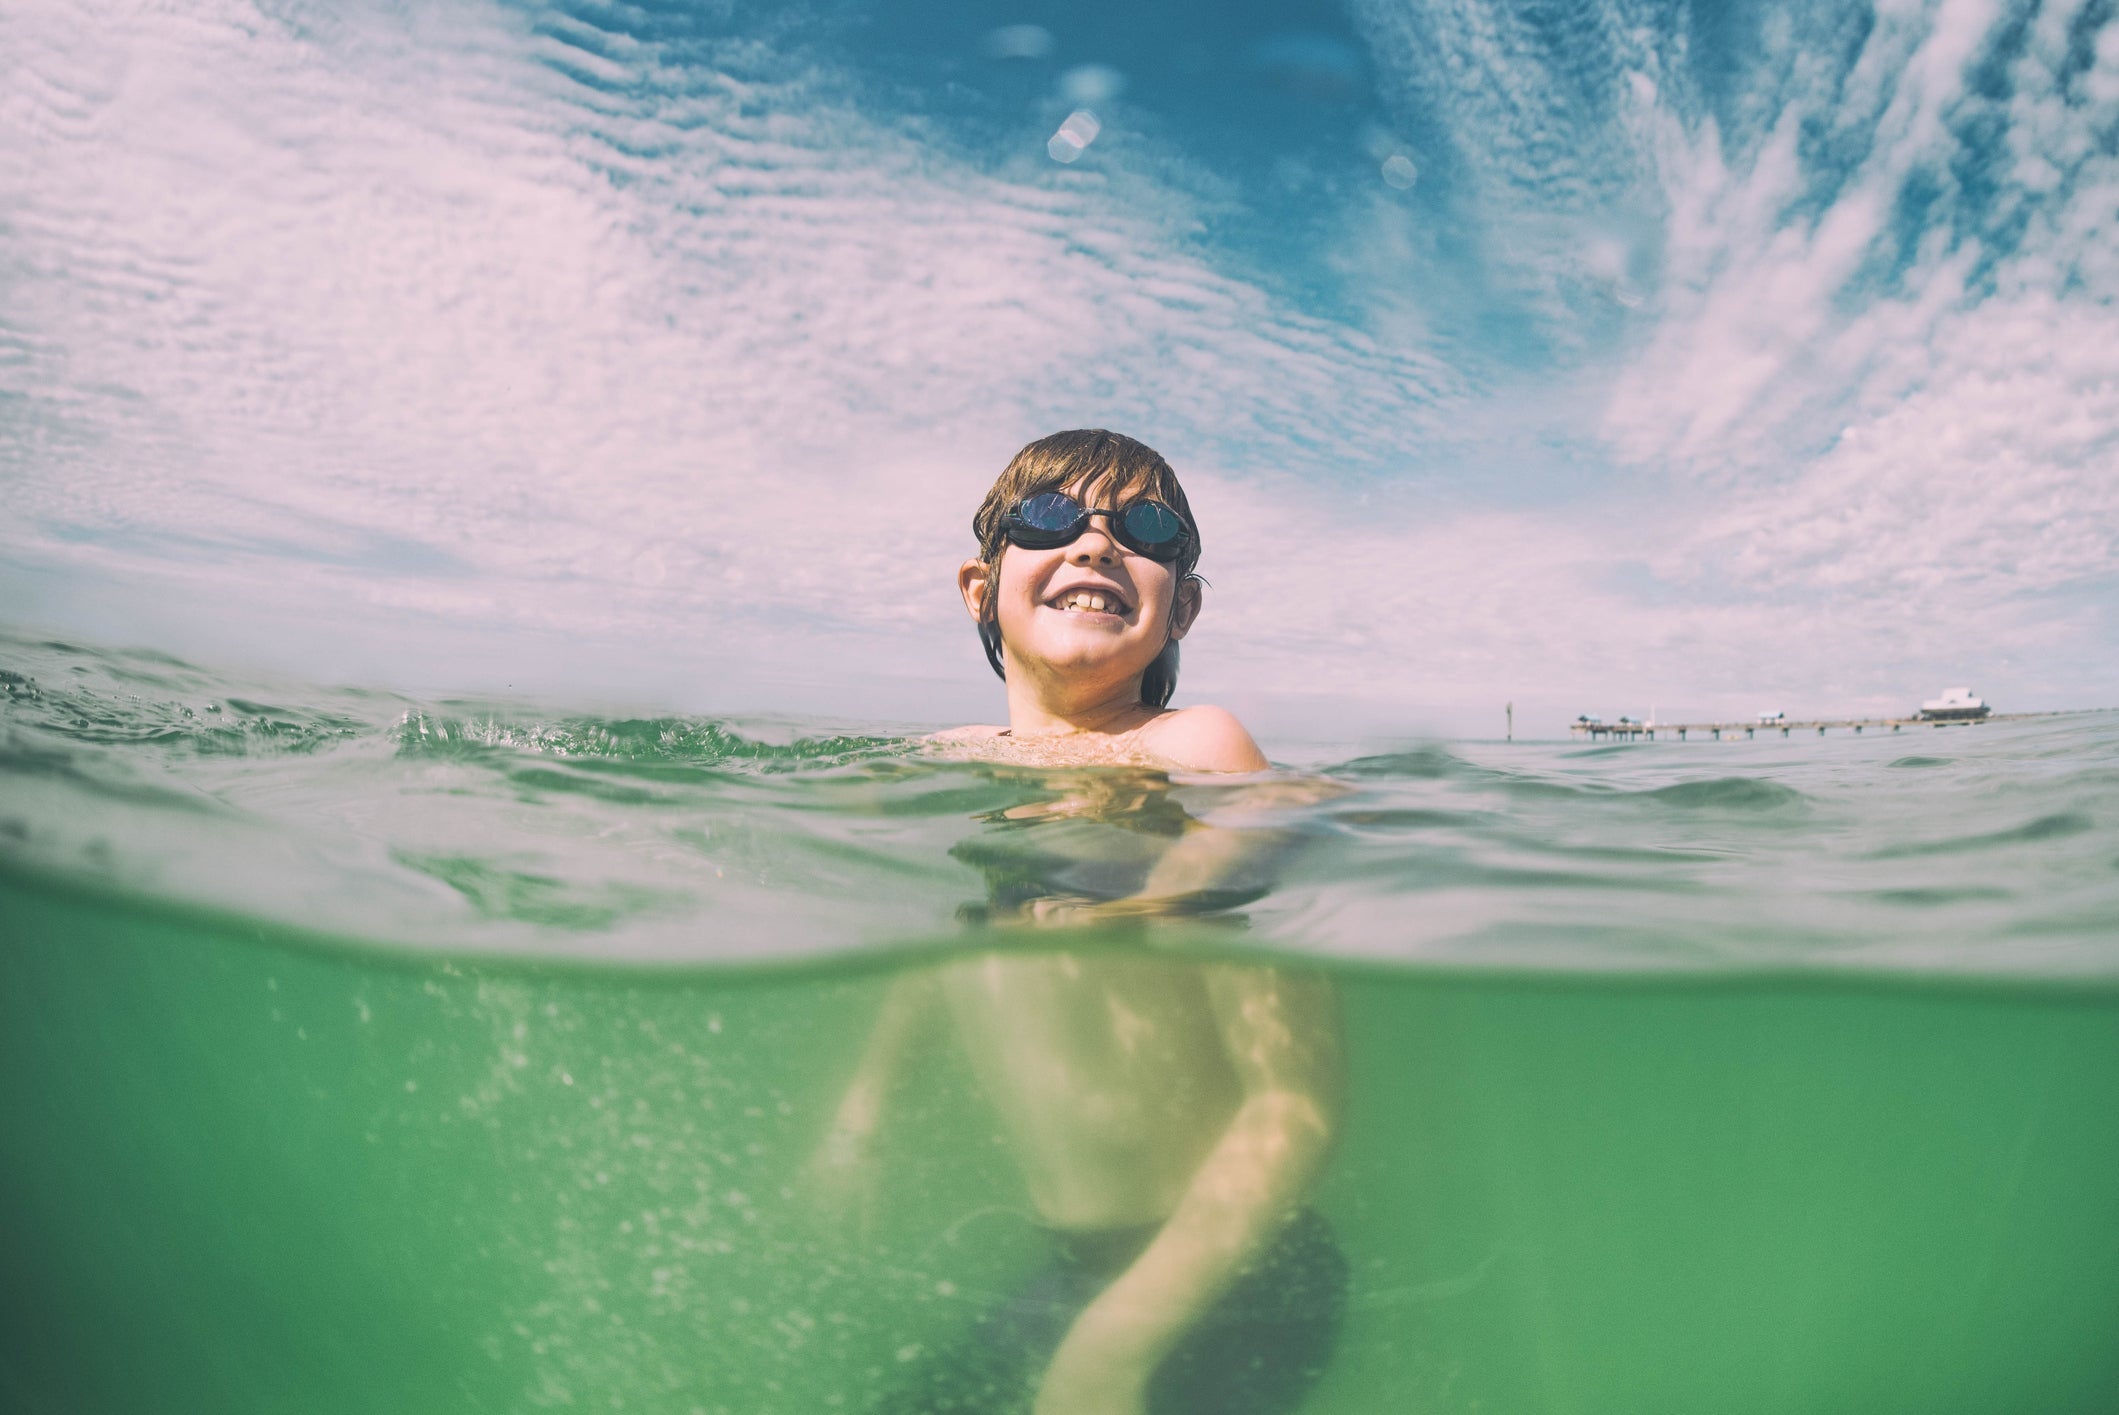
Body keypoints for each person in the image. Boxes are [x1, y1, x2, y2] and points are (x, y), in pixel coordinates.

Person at [809, 430, 1346, 1415]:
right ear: (981, 583)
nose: (1097, 543)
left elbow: (1295, 1103)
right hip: (1073, 1263)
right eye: (1051, 516)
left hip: (1232, 1270)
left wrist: (1112, 1343)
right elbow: (956, 948)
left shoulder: (1193, 745)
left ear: (1181, 603)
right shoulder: (951, 759)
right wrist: (864, 1104)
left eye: (1144, 527)